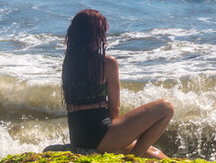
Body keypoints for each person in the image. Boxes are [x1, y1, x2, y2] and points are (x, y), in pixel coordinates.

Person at [62, 9, 174, 159]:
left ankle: (136, 155)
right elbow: (114, 109)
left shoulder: (68, 62)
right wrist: (119, 138)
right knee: (165, 107)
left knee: (154, 153)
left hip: (78, 136)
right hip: (100, 134)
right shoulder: (107, 63)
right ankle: (132, 160)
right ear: (95, 35)